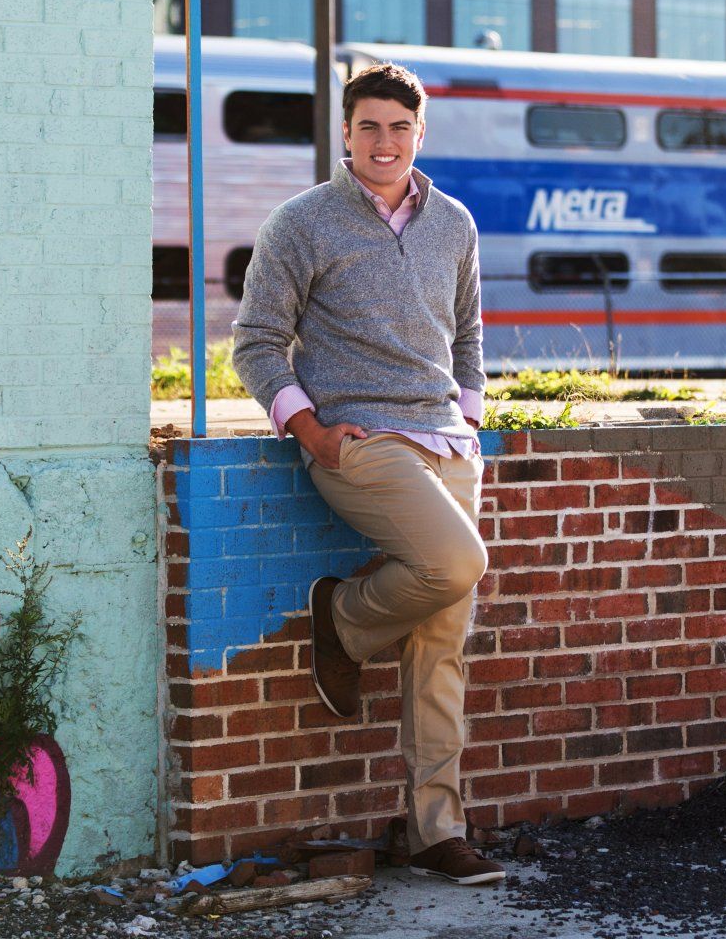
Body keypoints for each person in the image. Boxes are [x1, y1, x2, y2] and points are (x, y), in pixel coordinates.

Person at [231, 61, 504, 887]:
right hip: (359, 440)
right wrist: (309, 430)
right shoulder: (302, 222)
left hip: (446, 441)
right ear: (345, 135)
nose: (384, 142)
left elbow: (467, 336)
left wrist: (471, 412)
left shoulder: (453, 222)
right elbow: (256, 341)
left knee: (442, 645)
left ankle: (436, 829)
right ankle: (343, 620)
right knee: (455, 565)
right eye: (368, 127)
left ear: (421, 134)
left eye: (399, 127)